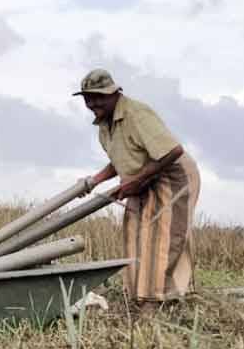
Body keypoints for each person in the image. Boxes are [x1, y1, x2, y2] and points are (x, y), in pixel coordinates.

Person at [76, 69, 201, 308]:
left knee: (162, 236)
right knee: (135, 233)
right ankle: (139, 296)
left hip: (172, 176)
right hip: (144, 177)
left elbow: (172, 150)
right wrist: (95, 181)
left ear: (115, 93)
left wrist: (136, 181)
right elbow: (122, 159)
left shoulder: (136, 113)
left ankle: (158, 301)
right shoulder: (105, 123)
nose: (93, 103)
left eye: (98, 97)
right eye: (87, 98)